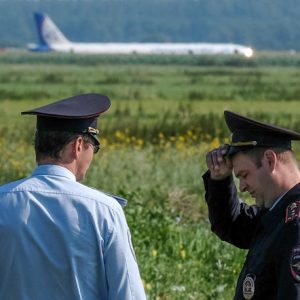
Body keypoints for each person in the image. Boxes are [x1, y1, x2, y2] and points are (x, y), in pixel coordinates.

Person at [0, 93, 147, 300]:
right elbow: (129, 294)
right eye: (94, 147)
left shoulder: (3, 200)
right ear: (78, 145)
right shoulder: (104, 210)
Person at [203, 110, 300, 299]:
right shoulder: (279, 211)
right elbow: (233, 225)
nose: (242, 187)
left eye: (244, 175)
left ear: (270, 160)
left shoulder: (296, 224)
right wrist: (220, 179)